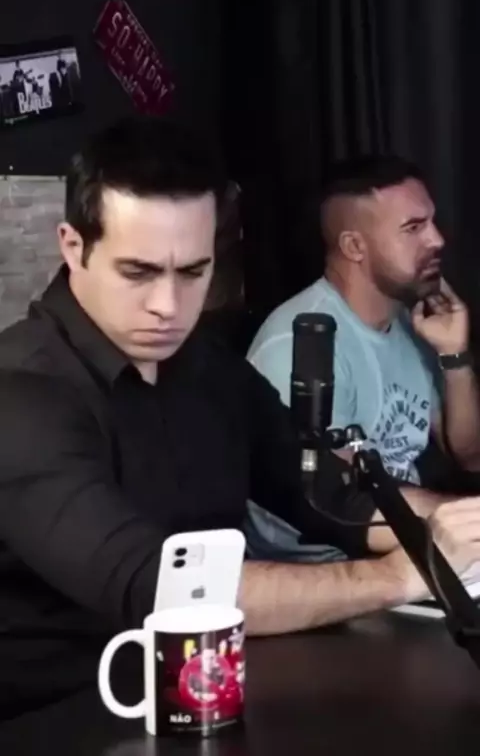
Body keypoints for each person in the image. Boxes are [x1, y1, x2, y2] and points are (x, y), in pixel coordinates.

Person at [1, 127, 480, 719]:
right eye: (138, 272)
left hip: (209, 695)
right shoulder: (21, 393)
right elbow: (165, 588)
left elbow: (325, 493)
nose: (168, 306)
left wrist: (454, 528)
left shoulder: (206, 366)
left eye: (193, 271)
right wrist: (400, 577)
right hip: (56, 718)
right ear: (74, 247)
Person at [247, 155, 480, 557]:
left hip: (401, 539)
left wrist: (454, 355)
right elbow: (340, 502)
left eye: (432, 222)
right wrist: (465, 522)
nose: (437, 239)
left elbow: (471, 457)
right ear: (354, 246)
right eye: (413, 228)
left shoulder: (411, 324)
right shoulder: (301, 342)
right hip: (326, 566)